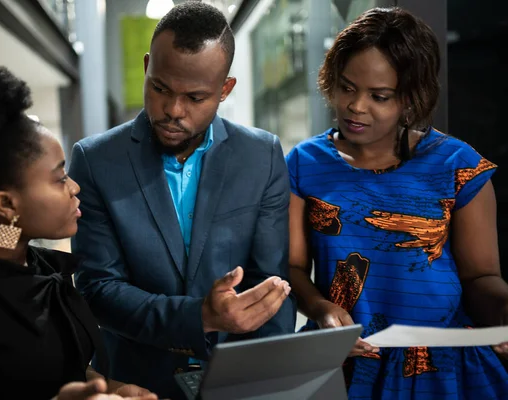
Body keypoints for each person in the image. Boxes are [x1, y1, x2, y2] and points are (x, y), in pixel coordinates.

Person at [69, 2, 295, 398]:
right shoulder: (95, 160)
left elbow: (269, 285)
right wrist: (199, 317)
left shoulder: (262, 156)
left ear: (225, 90)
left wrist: (271, 383)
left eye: (195, 97)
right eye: (160, 88)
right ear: (146, 67)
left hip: (238, 381)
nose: (173, 110)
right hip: (134, 383)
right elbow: (98, 289)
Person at [286, 7, 508, 399]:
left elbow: (480, 278)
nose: (356, 106)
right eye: (347, 87)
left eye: (379, 96)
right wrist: (319, 308)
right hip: (347, 363)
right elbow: (293, 267)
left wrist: (504, 313)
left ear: (410, 98)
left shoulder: (459, 165)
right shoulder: (303, 164)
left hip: (444, 369)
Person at [0, 67, 157, 400]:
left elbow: (61, 369)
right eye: (59, 178)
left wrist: (113, 388)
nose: (74, 187)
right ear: (7, 205)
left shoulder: (36, 267)